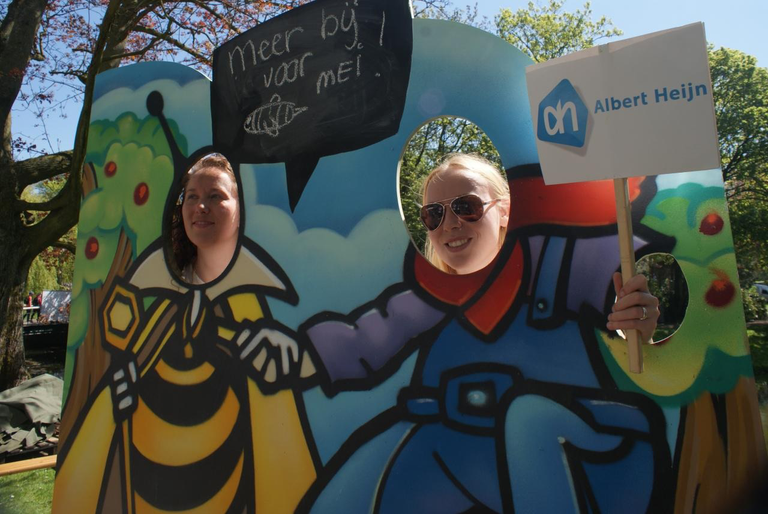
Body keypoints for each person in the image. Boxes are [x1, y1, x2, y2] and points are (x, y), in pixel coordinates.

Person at [170, 153, 240, 284]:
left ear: (241, 208)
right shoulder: (168, 282)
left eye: (215, 196)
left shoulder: (260, 279)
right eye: (192, 197)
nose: (201, 207)